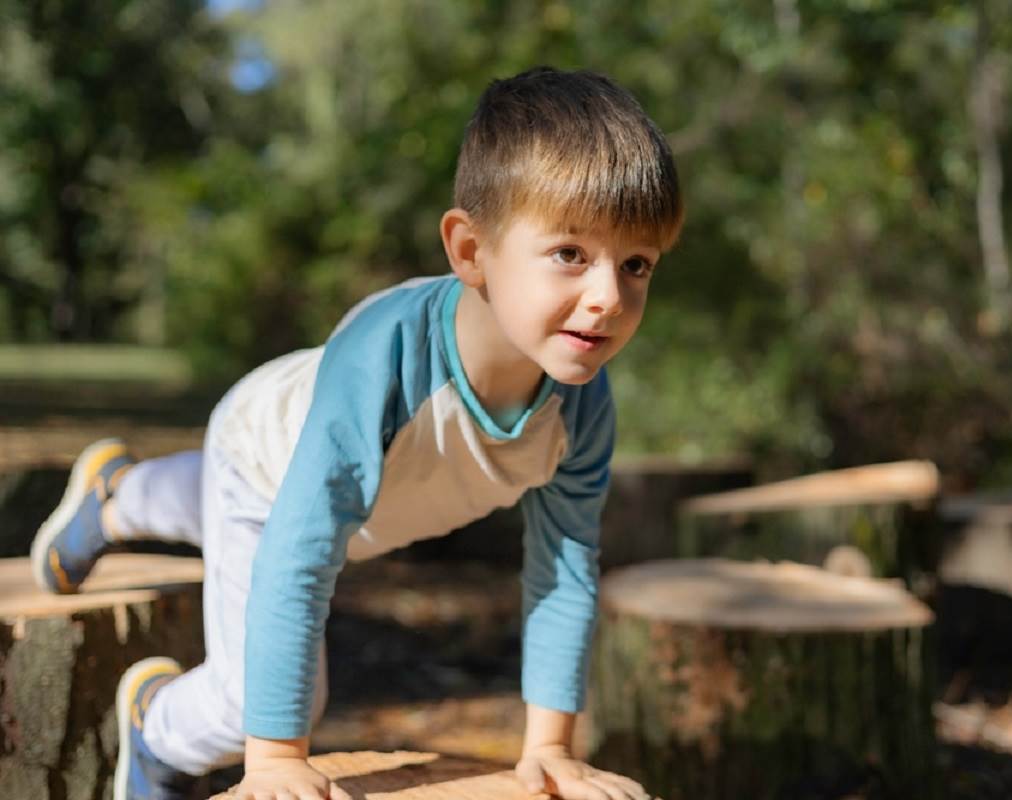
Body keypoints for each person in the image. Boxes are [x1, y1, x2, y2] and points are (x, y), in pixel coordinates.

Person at [30, 66, 683, 800]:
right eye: (571, 254)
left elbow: (564, 570)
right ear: (471, 251)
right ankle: (156, 727)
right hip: (265, 457)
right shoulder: (386, 359)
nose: (609, 298)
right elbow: (299, 551)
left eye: (637, 265)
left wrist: (550, 745)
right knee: (263, 697)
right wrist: (275, 756)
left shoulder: (581, 404)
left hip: (357, 503)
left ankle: (115, 492)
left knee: (203, 502)